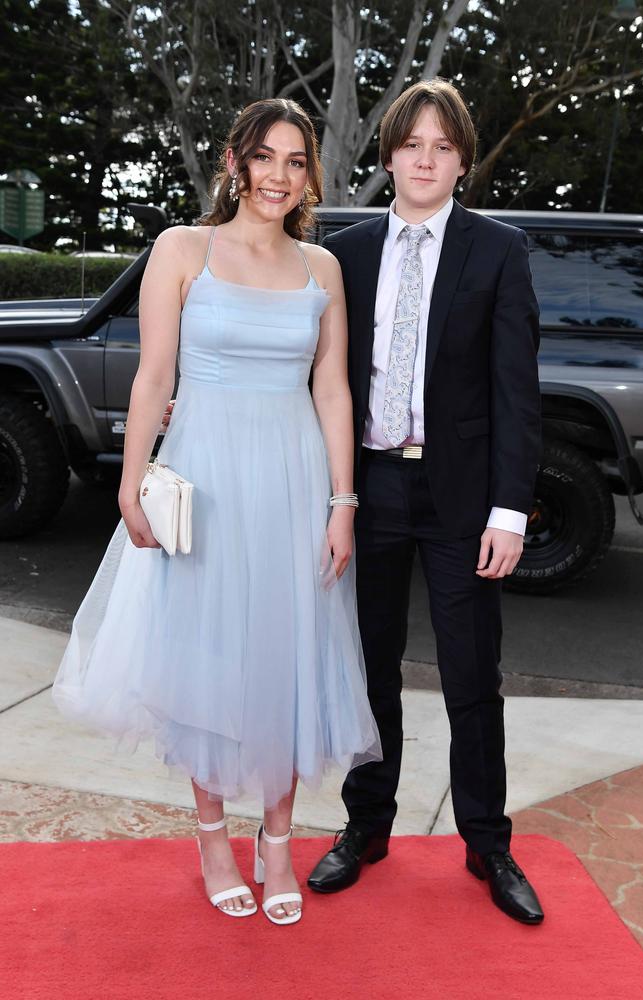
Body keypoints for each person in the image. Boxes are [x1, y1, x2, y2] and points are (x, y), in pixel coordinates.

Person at [52, 98, 381, 927]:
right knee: (207, 653)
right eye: (264, 158)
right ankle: (210, 836)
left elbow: (333, 389)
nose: (279, 176)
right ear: (234, 163)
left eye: (296, 161)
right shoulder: (182, 248)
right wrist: (130, 481)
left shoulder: (322, 269)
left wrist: (343, 503)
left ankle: (277, 843)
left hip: (297, 478)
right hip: (206, 477)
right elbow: (152, 376)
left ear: (310, 173)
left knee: (287, 657)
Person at [306, 79, 544, 924]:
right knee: (366, 668)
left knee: (471, 674)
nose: (426, 159)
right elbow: (316, 377)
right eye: (413, 144)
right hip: (367, 490)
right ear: (391, 154)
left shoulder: (498, 251)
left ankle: (488, 842)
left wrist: (508, 511)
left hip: (460, 497)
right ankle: (366, 824)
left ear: (463, 161)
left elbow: (518, 391)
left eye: (444, 146)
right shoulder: (347, 252)